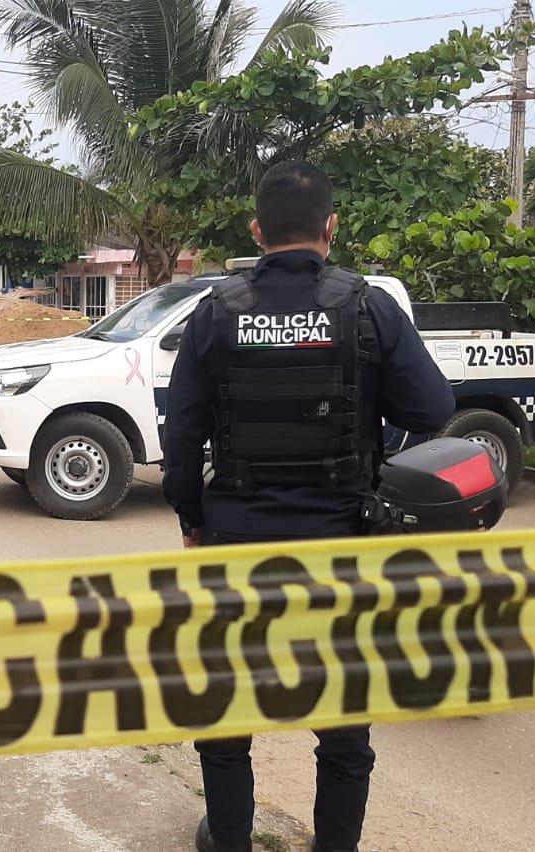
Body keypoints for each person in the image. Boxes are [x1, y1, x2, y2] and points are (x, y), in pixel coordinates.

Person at [163, 162, 456, 852]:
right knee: (344, 724)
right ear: (331, 226)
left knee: (226, 712)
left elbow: (181, 435)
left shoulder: (216, 311)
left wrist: (192, 521)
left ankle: (230, 838)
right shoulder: (367, 307)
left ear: (256, 230)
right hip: (340, 546)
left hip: (236, 542)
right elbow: (433, 409)